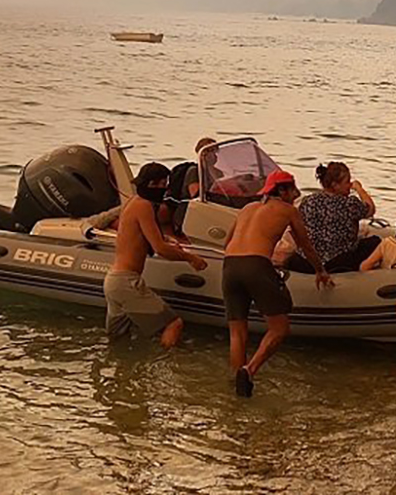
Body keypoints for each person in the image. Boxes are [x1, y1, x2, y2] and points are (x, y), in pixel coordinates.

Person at [222, 170, 332, 397]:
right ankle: (250, 370)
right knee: (280, 328)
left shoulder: (247, 209)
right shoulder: (288, 210)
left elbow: (228, 242)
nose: (295, 195)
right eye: (292, 190)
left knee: (237, 331)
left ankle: (236, 381)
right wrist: (320, 270)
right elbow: (306, 246)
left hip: (230, 266)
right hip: (256, 265)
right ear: (282, 190)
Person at [104, 162, 208, 348]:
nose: (164, 189)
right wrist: (191, 258)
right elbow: (159, 248)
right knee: (173, 324)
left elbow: (143, 234)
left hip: (114, 281)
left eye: (164, 184)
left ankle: (120, 374)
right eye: (161, 184)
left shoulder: (133, 202)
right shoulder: (144, 206)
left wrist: (167, 238)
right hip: (126, 281)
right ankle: (165, 367)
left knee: (119, 340)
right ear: (151, 184)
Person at [289, 161, 380, 273]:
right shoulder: (349, 203)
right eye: (347, 182)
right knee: (375, 242)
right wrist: (359, 189)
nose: (350, 185)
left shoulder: (308, 201)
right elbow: (370, 209)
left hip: (307, 261)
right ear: (335, 185)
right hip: (337, 260)